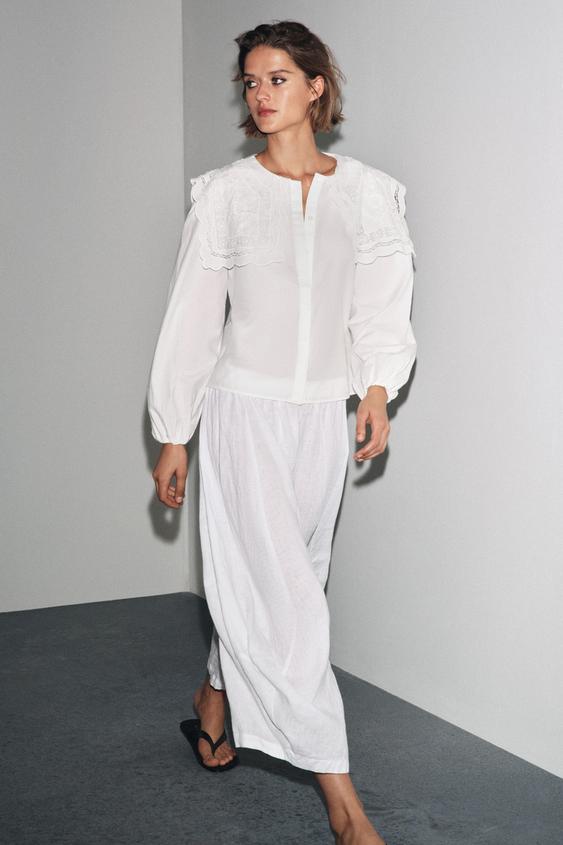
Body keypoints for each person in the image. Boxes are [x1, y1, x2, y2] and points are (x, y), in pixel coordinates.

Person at [146, 19, 417, 845]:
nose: (260, 95)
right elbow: (193, 318)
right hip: (241, 418)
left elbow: (379, 305)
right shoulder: (226, 195)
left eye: (277, 79)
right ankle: (344, 805)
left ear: (314, 87)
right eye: (251, 82)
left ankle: (213, 699)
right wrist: (175, 430)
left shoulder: (367, 193)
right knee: (291, 610)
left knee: (287, 581)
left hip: (321, 423)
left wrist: (376, 389)